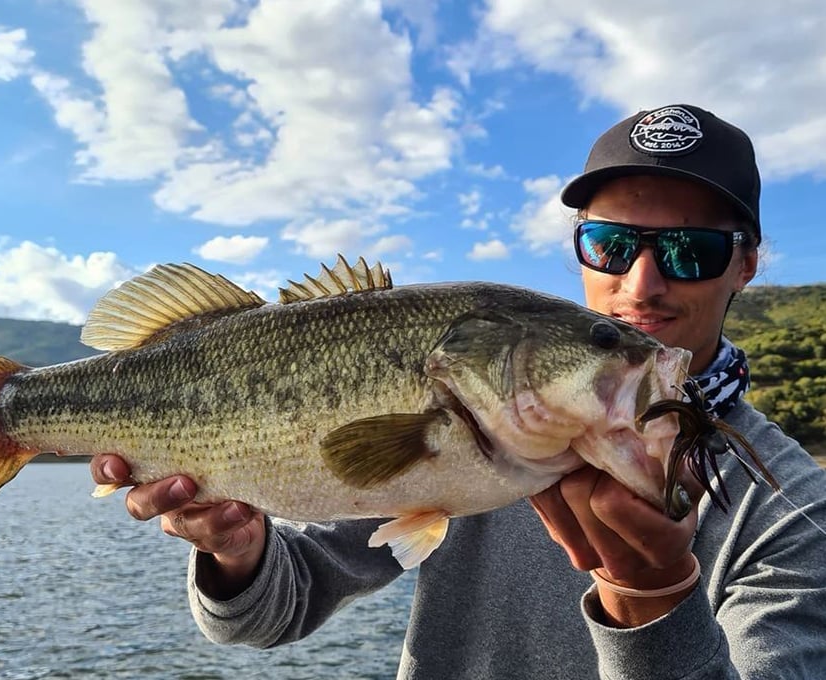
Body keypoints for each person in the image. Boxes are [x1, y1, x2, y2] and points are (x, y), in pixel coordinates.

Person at [91, 104, 826, 678]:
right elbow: (269, 616)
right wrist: (236, 551)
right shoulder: (490, 414)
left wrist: (652, 600)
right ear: (580, 246)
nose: (641, 284)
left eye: (689, 250)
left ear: (748, 264)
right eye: (610, 244)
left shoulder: (790, 507)